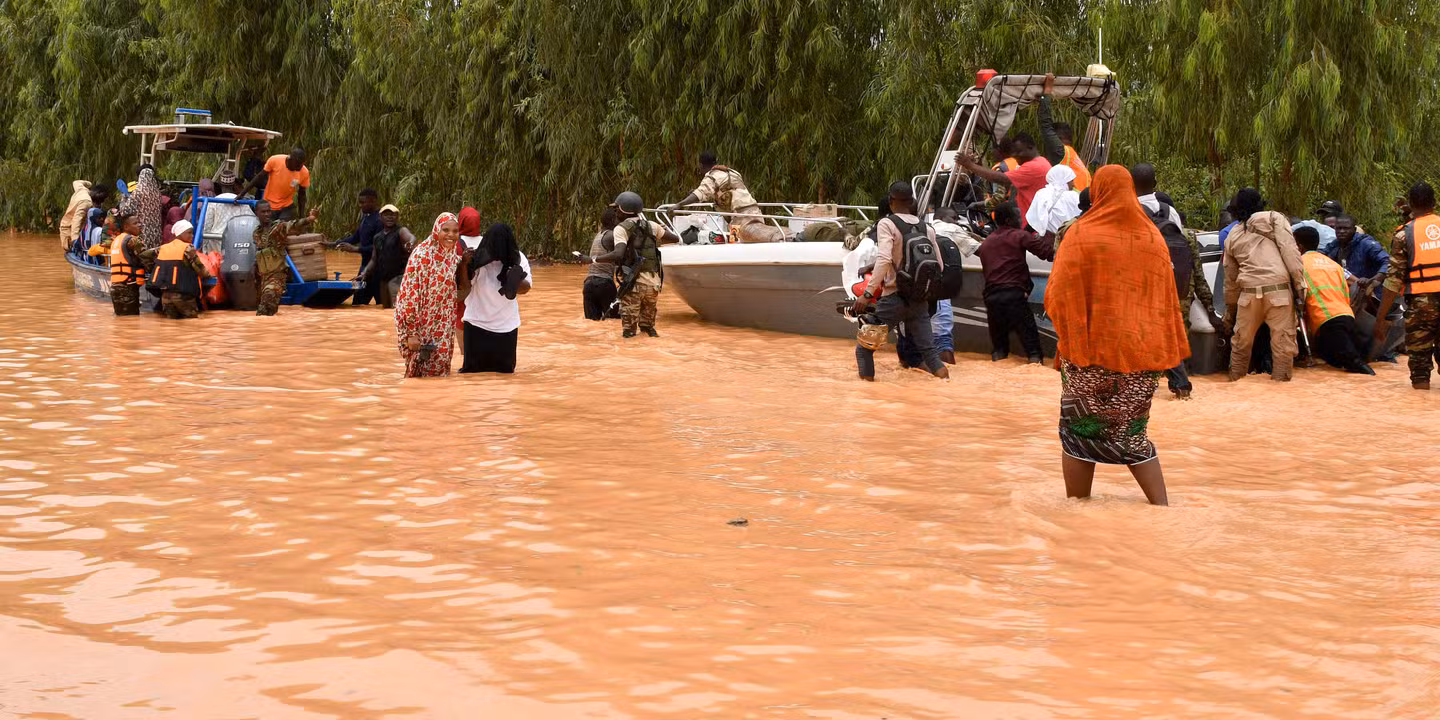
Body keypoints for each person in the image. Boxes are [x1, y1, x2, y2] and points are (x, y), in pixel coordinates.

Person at [1043, 165, 1189, 506]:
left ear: (1097, 192)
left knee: (1079, 432)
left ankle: (1077, 509)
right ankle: (1161, 508)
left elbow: (1058, 296)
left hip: (1088, 353)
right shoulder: (1151, 237)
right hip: (1141, 354)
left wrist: (1073, 338)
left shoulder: (1080, 234)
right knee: (1133, 433)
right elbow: (1166, 299)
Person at [849, 181, 950, 380]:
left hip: (893, 298)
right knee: (930, 355)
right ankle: (946, 385)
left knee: (865, 348)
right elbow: (939, 265)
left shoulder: (887, 224)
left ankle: (867, 393)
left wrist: (867, 294)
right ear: (911, 201)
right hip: (919, 301)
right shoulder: (927, 228)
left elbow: (884, 259)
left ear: (890, 201)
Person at [1222, 187, 1307, 382]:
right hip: (1279, 293)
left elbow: (1231, 278)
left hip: (1248, 295)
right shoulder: (1274, 218)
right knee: (1283, 345)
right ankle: (1281, 387)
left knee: (1240, 344)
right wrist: (1300, 286)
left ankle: (1235, 383)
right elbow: (1290, 253)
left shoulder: (1232, 234)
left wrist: (1231, 310)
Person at [1374, 182, 1440, 390]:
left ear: (1410, 204)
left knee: (1420, 367)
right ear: (1434, 202)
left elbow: (1393, 282)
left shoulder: (1404, 234)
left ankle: (1420, 402)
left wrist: (1380, 319)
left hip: (1421, 305)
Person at [394, 212, 471, 378]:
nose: (451, 235)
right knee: (416, 372)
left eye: (455, 231)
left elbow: (457, 281)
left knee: (440, 372)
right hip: (419, 325)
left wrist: (464, 262)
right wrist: (412, 333)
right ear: (436, 230)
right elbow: (409, 295)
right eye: (446, 230)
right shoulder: (420, 255)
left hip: (442, 326)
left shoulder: (451, 255)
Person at [978, 202, 1055, 362]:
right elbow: (1047, 254)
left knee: (999, 350)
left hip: (991, 298)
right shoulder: (1020, 236)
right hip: (1015, 295)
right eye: (1018, 217)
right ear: (1008, 220)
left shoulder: (987, 242)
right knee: (1033, 350)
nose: (1021, 221)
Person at [595, 192, 680, 336]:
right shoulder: (652, 226)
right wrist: (656, 237)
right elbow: (675, 239)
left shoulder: (621, 229)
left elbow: (618, 254)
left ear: (623, 210)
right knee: (648, 329)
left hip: (633, 284)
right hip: (653, 284)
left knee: (629, 332)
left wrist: (593, 259)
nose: (615, 212)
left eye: (616, 209)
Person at [1292, 226, 1374, 374]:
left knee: (1354, 363)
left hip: (1326, 319)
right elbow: (1352, 284)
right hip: (1347, 317)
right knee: (1334, 362)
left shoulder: (1298, 264)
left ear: (1299, 246)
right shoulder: (1332, 264)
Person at [460, 222, 531, 373]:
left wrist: (514, 280)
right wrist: (464, 265)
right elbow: (465, 287)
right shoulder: (477, 259)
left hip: (506, 327)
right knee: (472, 375)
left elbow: (526, 288)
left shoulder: (519, 259)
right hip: (476, 325)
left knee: (505, 375)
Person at [669, 151, 782, 243]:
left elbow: (699, 194)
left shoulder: (712, 177)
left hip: (739, 217)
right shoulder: (732, 173)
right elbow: (726, 190)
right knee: (751, 239)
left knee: (735, 242)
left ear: (701, 165)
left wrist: (679, 205)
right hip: (755, 212)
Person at [252, 201, 320, 316]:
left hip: (277, 277)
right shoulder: (256, 233)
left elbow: (293, 225)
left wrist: (310, 219)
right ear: (256, 213)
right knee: (263, 311)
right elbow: (259, 254)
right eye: (263, 212)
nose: (267, 214)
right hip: (262, 278)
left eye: (268, 211)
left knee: (266, 306)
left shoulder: (278, 228)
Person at [141, 220, 211, 319]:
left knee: (171, 324)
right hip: (184, 297)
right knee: (191, 324)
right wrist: (208, 275)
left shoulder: (163, 248)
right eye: (189, 233)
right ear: (180, 233)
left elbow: (144, 256)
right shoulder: (188, 248)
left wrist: (153, 268)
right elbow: (201, 270)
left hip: (166, 297)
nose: (192, 236)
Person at [357, 204, 416, 309]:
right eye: (386, 215)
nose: (390, 217)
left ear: (397, 217)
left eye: (393, 215)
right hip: (384, 279)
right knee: (386, 309)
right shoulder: (377, 237)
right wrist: (364, 272)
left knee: (397, 307)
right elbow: (374, 259)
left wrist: (411, 243)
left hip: (399, 277)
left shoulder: (401, 231)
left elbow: (411, 237)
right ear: (380, 217)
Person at [90, 213, 148, 315]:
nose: (139, 225)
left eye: (139, 222)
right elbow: (146, 258)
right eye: (135, 223)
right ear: (126, 227)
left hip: (115, 287)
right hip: (128, 287)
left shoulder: (116, 240)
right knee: (131, 319)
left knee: (122, 319)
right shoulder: (133, 240)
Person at [332, 189, 382, 305]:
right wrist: (333, 243)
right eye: (360, 202)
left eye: (363, 202)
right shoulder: (365, 217)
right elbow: (355, 238)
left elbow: (379, 247)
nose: (360, 205)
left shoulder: (380, 220)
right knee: (357, 304)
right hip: (364, 269)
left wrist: (356, 249)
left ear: (373, 201)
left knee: (383, 305)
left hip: (379, 271)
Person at [239, 147, 310, 220]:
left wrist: (302, 216)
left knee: (284, 224)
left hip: (286, 206)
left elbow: (302, 194)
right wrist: (242, 194)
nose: (300, 167)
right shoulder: (275, 160)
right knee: (268, 225)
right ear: (290, 159)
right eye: (297, 164)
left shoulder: (304, 172)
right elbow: (259, 177)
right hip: (269, 205)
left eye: (301, 164)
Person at [583, 205, 621, 321]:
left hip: (588, 283)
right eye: (619, 219)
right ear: (613, 220)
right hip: (604, 284)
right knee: (613, 320)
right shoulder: (611, 235)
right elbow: (620, 254)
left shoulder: (598, 235)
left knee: (592, 322)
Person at [1025, 164, 1081, 236]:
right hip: (1068, 238)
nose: (1073, 184)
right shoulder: (1073, 196)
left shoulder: (1041, 194)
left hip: (1047, 239)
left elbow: (1033, 220)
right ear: (1064, 180)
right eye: (1071, 180)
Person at [119, 165, 165, 250]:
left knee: (143, 255)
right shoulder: (158, 193)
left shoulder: (138, 192)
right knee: (153, 254)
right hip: (156, 234)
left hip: (142, 232)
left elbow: (124, 211)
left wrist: (124, 197)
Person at [1053, 122, 1091, 192]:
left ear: (1058, 138)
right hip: (1083, 195)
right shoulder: (1072, 153)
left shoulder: (1062, 152)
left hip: (1075, 196)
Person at [60, 180, 94, 252]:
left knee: (67, 247)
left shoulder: (81, 189)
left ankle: (73, 246)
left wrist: (74, 239)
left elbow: (76, 220)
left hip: (68, 227)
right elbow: (77, 220)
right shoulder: (83, 193)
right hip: (69, 226)